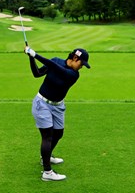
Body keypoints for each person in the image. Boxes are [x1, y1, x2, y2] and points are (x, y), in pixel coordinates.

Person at [24, 46, 90, 181]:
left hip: (58, 106)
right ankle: (47, 172)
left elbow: (54, 67)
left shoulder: (73, 75)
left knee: (58, 133)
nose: (81, 67)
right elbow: (37, 73)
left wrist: (35, 54)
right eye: (81, 63)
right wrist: (32, 58)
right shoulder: (56, 61)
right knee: (47, 135)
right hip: (42, 104)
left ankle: (45, 158)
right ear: (75, 58)